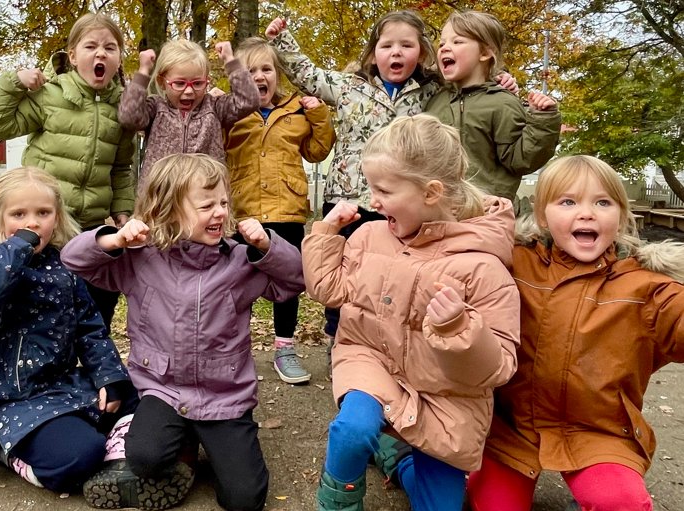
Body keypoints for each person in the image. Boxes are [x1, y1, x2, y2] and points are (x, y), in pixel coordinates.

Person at [62, 153, 305, 511]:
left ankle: (206, 443)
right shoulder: (141, 259)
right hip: (164, 389)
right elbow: (74, 260)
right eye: (206, 205)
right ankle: (183, 446)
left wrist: (269, 247)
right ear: (167, 210)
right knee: (145, 458)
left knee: (244, 501)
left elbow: (295, 282)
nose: (220, 212)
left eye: (223, 202)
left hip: (224, 395)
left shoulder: (240, 260)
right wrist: (114, 240)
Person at [302, 114, 520, 511]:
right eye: (371, 187)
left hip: (445, 392)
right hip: (373, 359)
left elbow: (501, 367)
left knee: (439, 510)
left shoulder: (484, 266)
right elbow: (328, 290)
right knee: (351, 431)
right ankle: (337, 504)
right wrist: (325, 235)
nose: (373, 201)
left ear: (431, 192)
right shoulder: (369, 236)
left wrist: (461, 327)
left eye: (383, 189)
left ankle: (398, 460)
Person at [265, 12, 516, 360]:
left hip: (400, 206)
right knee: (347, 273)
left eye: (406, 45)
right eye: (387, 46)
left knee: (387, 277)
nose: (395, 53)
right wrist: (282, 40)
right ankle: (340, 340)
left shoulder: (431, 91)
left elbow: (468, 77)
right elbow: (309, 75)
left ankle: (388, 341)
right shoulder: (349, 87)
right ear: (372, 55)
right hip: (349, 201)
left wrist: (502, 78)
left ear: (422, 54)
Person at [0, 167, 191, 509]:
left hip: (65, 386)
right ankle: (9, 452)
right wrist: (17, 249)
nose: (32, 223)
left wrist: (108, 376)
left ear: (57, 216)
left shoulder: (61, 265)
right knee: (79, 456)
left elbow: (90, 328)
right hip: (14, 400)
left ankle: (121, 463)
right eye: (19, 214)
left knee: (144, 392)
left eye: (43, 213)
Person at [467, 155, 684, 511]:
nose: (587, 214)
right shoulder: (515, 262)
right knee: (494, 510)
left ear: (621, 215)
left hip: (600, 433)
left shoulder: (645, 285)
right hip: (513, 431)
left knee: (622, 506)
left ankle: (591, 498)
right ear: (541, 216)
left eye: (603, 202)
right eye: (568, 202)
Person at [0, 12, 135, 333]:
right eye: (90, 46)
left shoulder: (123, 107)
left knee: (100, 295)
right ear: (73, 55)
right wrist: (13, 82)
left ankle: (91, 360)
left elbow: (121, 167)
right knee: (43, 299)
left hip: (90, 224)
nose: (100, 54)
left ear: (119, 58)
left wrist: (122, 211)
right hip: (45, 222)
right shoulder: (51, 95)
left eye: (110, 47)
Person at [224, 36, 336, 385]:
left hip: (287, 210)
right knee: (235, 283)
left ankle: (284, 348)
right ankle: (232, 350)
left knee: (288, 284)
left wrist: (317, 112)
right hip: (243, 210)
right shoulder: (232, 113)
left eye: (266, 69)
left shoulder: (296, 111)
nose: (259, 76)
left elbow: (318, 151)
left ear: (277, 74)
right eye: (250, 70)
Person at [424, 10, 561, 200]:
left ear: (486, 52)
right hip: (438, 205)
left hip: (487, 208)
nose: (445, 48)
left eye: (457, 42)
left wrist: (544, 120)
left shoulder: (502, 102)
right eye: (442, 43)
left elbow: (521, 159)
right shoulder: (434, 100)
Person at [118, 39, 259, 181]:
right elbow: (129, 116)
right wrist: (143, 72)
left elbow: (248, 101)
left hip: (204, 194)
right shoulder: (156, 109)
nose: (189, 91)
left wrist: (230, 61)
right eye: (179, 84)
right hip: (162, 197)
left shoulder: (214, 107)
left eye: (198, 83)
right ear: (162, 82)